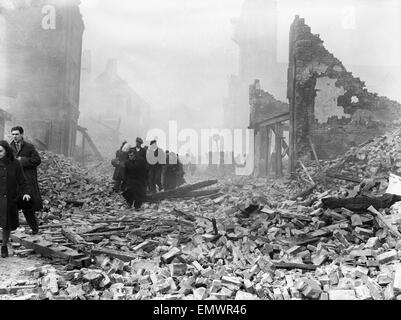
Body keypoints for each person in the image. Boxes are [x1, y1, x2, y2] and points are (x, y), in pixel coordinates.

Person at [0, 141, 31, 258]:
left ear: (7, 151)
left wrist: (26, 193)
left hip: (9, 199)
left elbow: (22, 181)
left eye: (0, 151)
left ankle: (4, 246)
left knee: (6, 224)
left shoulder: (15, 164)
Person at [10, 126, 43, 235]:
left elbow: (37, 160)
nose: (15, 136)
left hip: (26, 181)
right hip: (14, 182)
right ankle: (12, 230)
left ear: (22, 134)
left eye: (17, 134)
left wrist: (22, 160)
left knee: (27, 207)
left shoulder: (29, 147)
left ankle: (34, 229)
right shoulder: (9, 148)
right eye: (13, 134)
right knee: (12, 205)